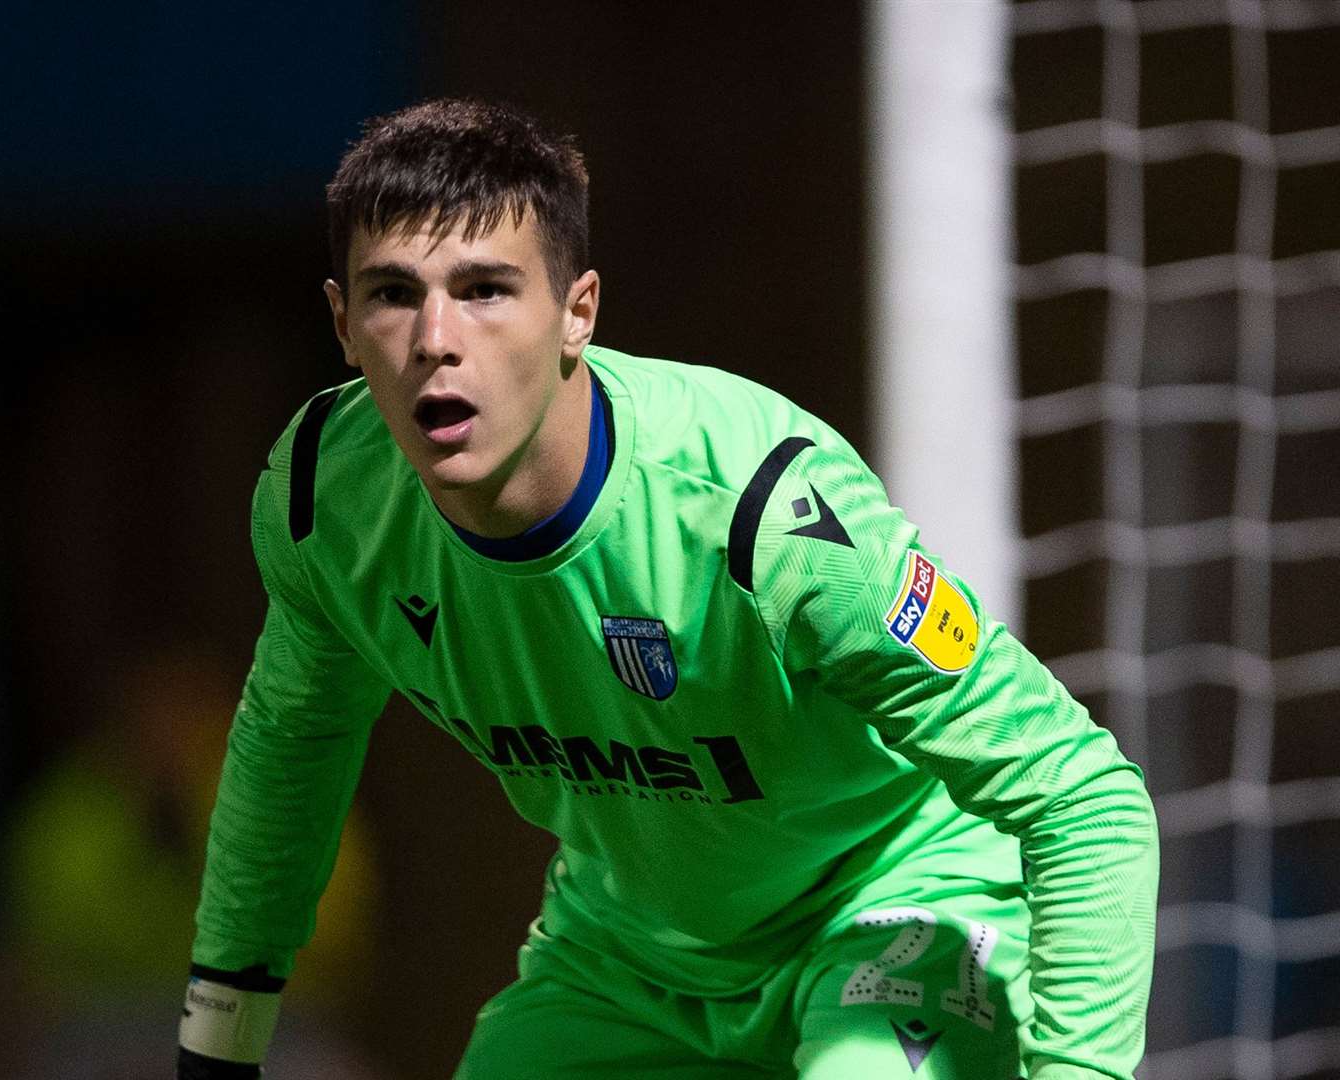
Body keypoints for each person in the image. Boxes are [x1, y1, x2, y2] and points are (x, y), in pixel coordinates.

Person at [178, 98, 1157, 1080]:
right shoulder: (322, 500)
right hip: (627, 960)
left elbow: (1085, 799)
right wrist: (217, 1046)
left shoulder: (764, 518)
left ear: (578, 311)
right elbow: (293, 746)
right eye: (394, 295)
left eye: (483, 290)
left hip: (889, 907)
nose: (435, 337)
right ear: (343, 325)